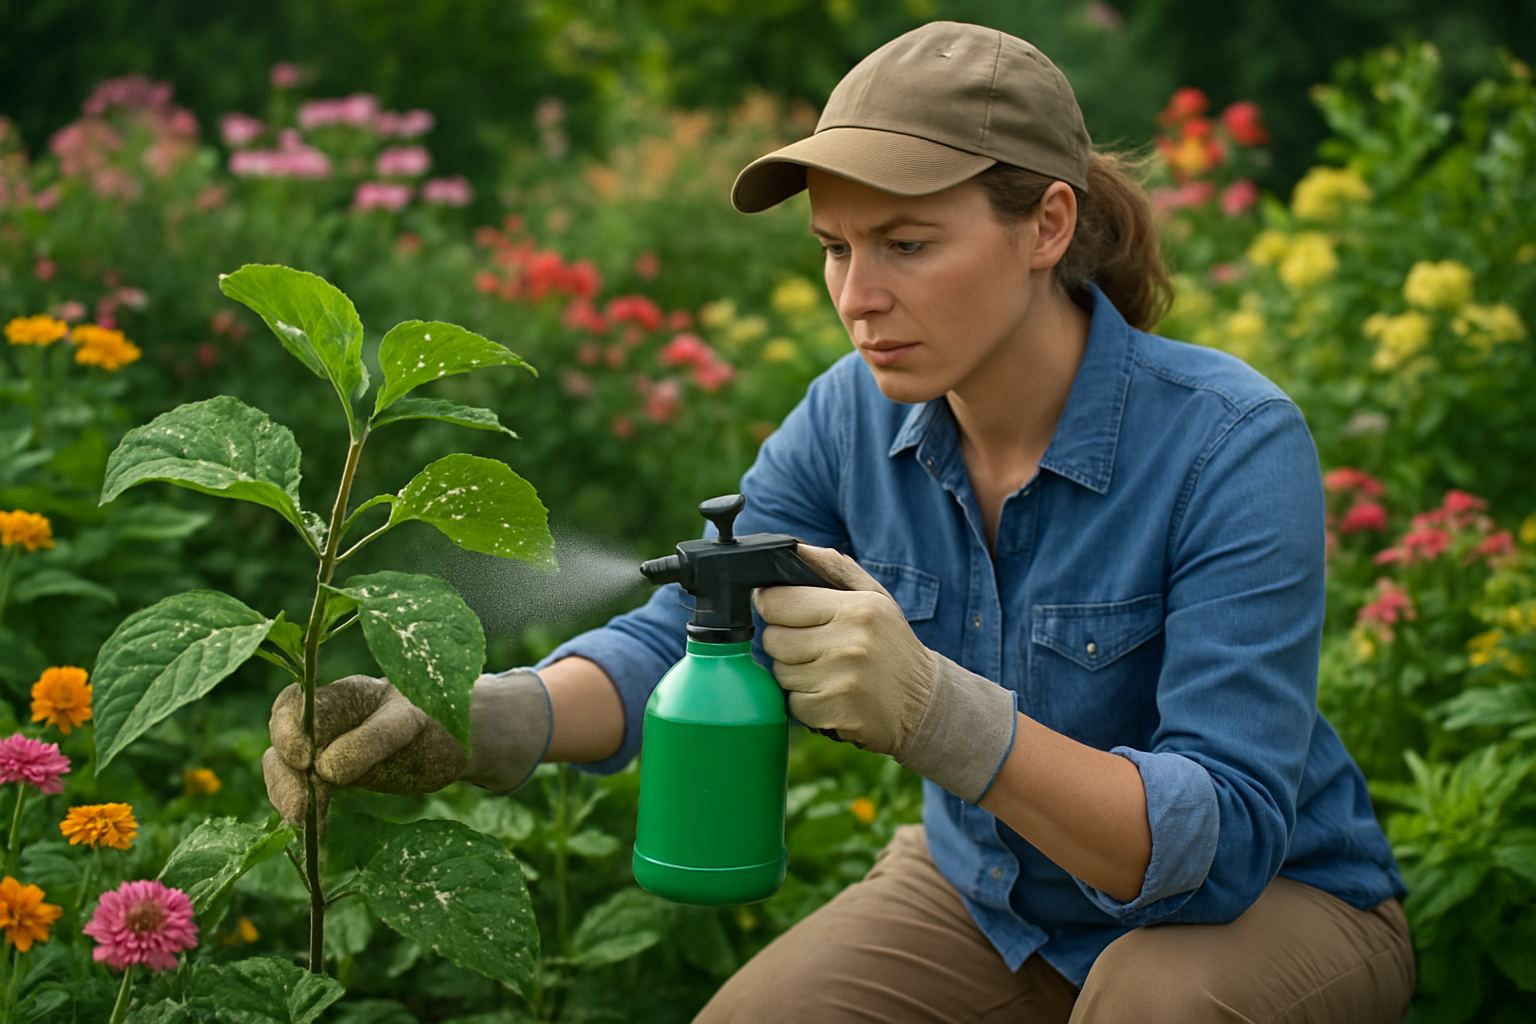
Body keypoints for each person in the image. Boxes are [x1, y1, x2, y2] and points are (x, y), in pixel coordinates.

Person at [264, 21, 1415, 1022]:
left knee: (1152, 1006)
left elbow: (1221, 840)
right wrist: (484, 723)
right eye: (835, 248)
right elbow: (691, 628)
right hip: (993, 897)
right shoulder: (851, 416)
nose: (859, 297)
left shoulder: (1229, 442)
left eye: (907, 243)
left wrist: (942, 717)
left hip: (1275, 906)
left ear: (1047, 224)